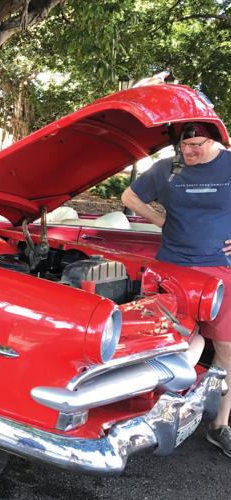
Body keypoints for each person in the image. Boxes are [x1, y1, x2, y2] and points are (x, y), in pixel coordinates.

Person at [122, 122, 231, 457]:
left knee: (226, 350)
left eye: (196, 145)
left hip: (219, 272)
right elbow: (129, 196)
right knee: (165, 345)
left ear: (213, 140)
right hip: (171, 269)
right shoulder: (167, 168)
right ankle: (154, 416)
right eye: (184, 146)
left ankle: (221, 426)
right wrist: (160, 221)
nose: (189, 152)